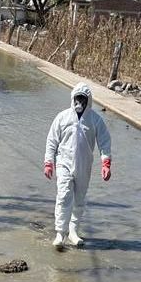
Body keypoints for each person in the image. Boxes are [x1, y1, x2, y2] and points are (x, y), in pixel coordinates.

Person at [44, 82, 112, 248]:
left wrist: (106, 163)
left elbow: (104, 142)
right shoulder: (62, 117)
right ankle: (60, 233)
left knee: (79, 199)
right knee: (64, 195)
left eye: (83, 99)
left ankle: (73, 231)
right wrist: (49, 162)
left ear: (88, 101)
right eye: (77, 98)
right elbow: (52, 140)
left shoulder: (96, 120)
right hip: (64, 163)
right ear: (73, 98)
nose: (79, 103)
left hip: (84, 164)